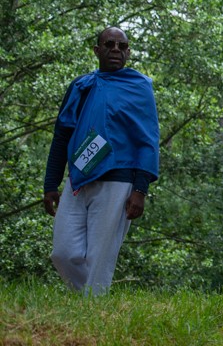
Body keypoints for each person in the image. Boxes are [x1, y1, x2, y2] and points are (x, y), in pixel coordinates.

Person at [42, 27, 160, 295]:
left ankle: (93, 316)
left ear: (128, 52)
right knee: (62, 252)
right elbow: (61, 136)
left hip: (119, 182)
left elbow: (147, 140)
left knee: (100, 257)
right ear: (97, 50)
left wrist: (140, 190)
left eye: (122, 46)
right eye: (109, 44)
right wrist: (51, 183)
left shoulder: (139, 87)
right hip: (79, 179)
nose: (115, 50)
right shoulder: (81, 86)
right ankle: (95, 299)